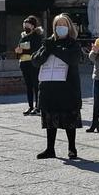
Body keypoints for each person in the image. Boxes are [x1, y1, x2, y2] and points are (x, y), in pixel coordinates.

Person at [32, 14, 84, 159]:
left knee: (69, 120)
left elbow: (72, 59)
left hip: (68, 88)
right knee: (50, 119)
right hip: (49, 88)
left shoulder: (73, 43)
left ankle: (72, 148)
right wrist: (47, 49)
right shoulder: (47, 42)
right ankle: (50, 149)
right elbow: (35, 61)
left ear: (68, 27)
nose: (60, 27)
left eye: (63, 25)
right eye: (57, 25)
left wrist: (54, 49)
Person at [16, 15, 44, 116]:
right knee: (28, 86)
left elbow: (36, 49)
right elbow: (19, 49)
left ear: (33, 26)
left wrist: (23, 50)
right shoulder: (23, 36)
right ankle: (30, 106)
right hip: (24, 63)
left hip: (33, 63)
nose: (26, 27)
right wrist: (19, 51)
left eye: (27, 25)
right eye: (24, 25)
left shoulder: (37, 36)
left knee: (36, 85)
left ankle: (38, 107)